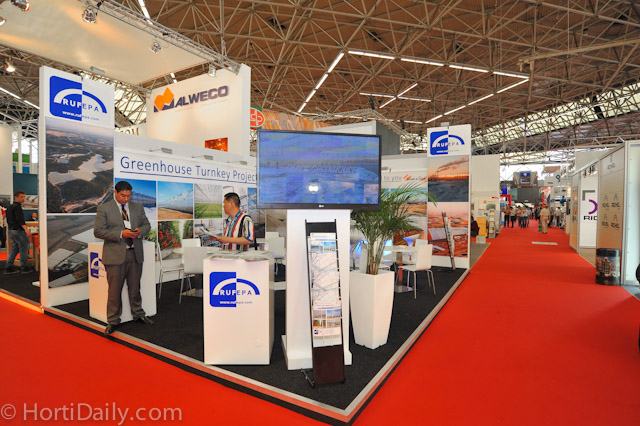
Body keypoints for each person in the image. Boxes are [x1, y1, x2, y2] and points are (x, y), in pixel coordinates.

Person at [94, 181, 153, 335]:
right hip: (114, 256)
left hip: (135, 253)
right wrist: (121, 234)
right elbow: (98, 231)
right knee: (114, 291)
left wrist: (140, 231)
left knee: (135, 288)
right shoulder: (104, 208)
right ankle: (113, 320)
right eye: (123, 195)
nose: (126, 199)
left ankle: (138, 314)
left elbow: (147, 225)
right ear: (115, 193)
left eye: (128, 196)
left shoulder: (137, 207)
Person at [4, 191, 34, 274]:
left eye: (24, 197)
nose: (23, 198)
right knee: (24, 249)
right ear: (16, 197)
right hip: (18, 231)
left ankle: (8, 267)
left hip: (11, 230)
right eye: (21, 197)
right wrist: (27, 230)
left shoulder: (10, 207)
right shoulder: (17, 207)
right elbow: (20, 220)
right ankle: (24, 268)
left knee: (15, 249)